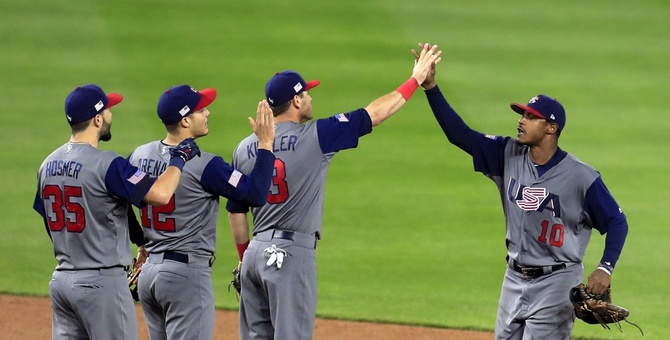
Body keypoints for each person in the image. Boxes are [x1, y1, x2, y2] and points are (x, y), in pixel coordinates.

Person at [412, 43, 629, 339]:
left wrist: (605, 267)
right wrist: (431, 87)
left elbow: (617, 221)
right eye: (522, 114)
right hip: (513, 277)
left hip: (557, 282)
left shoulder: (581, 176)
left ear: (551, 128)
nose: (521, 120)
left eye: (530, 117)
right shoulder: (507, 153)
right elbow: (459, 135)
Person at [226, 43, 442, 340]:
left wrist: (243, 256)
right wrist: (415, 79)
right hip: (289, 256)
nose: (311, 97)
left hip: (253, 257)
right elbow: (375, 113)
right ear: (296, 101)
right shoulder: (317, 135)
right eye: (307, 93)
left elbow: (236, 211)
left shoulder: (244, 147)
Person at [33, 84, 200, 340]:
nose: (111, 114)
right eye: (108, 110)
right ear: (98, 119)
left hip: (62, 282)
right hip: (101, 285)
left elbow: (51, 220)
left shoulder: (47, 164)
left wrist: (140, 242)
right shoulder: (108, 164)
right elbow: (161, 194)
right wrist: (179, 158)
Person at [128, 84, 276, 340]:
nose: (207, 113)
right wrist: (265, 144)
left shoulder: (138, 155)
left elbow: (118, 204)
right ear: (185, 120)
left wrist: (141, 243)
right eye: (201, 109)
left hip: (149, 277)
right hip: (184, 278)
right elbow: (256, 195)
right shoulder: (206, 165)